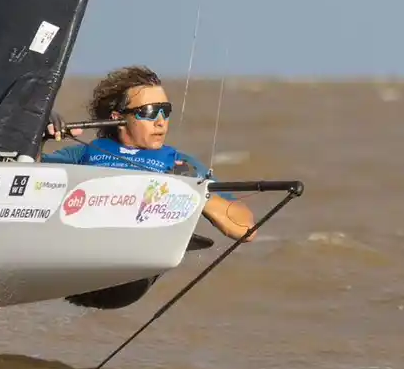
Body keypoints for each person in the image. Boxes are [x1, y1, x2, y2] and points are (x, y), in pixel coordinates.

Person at [42, 66, 256, 241]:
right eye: (150, 112)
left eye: (166, 111)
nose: (161, 121)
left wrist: (194, 192)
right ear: (118, 118)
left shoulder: (181, 165)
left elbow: (247, 229)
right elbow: (20, 176)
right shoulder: (81, 155)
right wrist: (39, 135)